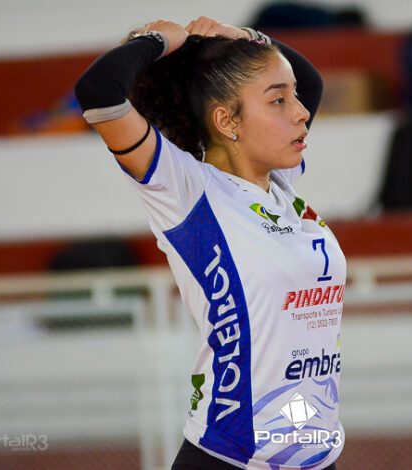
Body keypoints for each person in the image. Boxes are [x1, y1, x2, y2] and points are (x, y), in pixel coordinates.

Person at [74, 17, 346, 470]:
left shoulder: (281, 185)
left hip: (318, 456)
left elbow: (311, 82)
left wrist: (242, 36)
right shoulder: (186, 190)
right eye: (278, 100)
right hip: (229, 459)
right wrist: (161, 41)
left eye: (293, 97)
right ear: (226, 121)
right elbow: (98, 89)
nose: (300, 111)